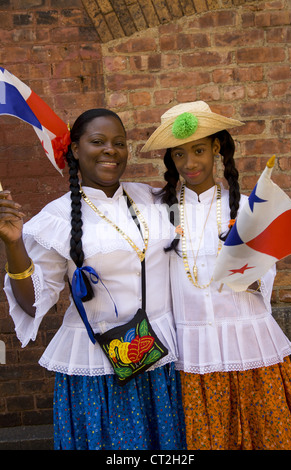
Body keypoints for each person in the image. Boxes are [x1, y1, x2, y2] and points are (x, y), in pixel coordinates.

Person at [0, 108, 186, 450]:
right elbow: (33, 302)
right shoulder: (57, 218)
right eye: (98, 142)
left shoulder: (153, 199)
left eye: (119, 143)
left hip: (160, 360)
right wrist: (14, 245)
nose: (110, 150)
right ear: (75, 149)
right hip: (100, 370)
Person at [141, 100, 291, 450]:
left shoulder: (244, 208)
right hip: (193, 352)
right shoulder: (157, 213)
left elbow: (263, 279)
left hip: (249, 341)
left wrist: (250, 264)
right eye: (179, 154)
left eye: (199, 150)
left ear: (216, 147)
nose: (190, 163)